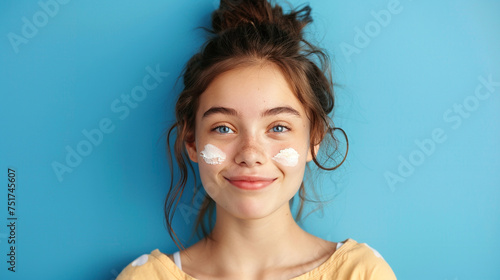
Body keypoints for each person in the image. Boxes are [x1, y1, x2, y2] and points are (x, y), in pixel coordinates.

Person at [117, 0, 397, 279]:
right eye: (224, 128)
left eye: (277, 127)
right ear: (192, 141)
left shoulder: (360, 273)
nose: (250, 154)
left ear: (313, 140)